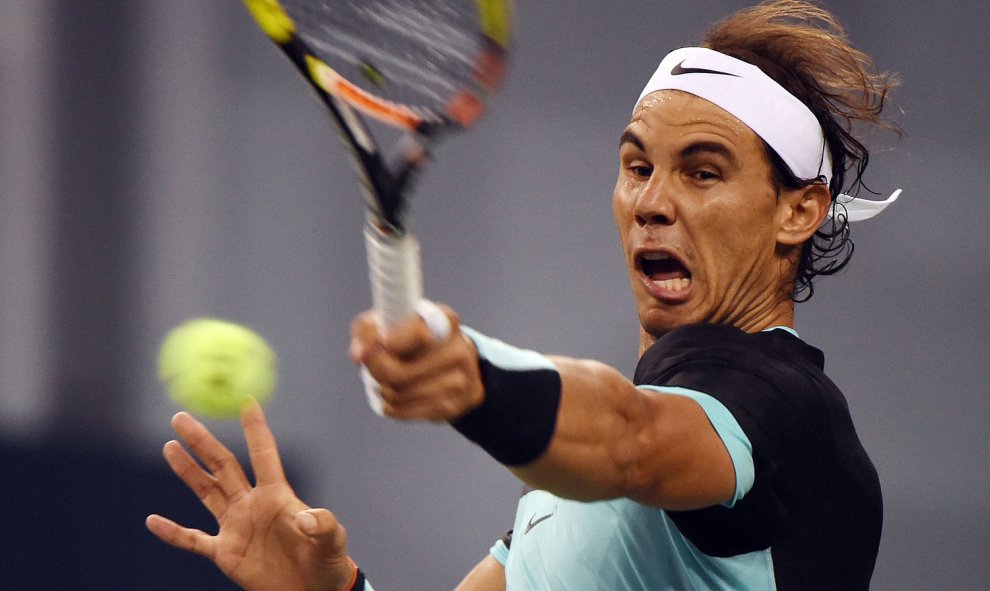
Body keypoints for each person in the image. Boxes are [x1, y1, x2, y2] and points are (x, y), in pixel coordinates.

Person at [146, 1, 901, 589]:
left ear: (797, 209)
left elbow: (630, 439)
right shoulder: (568, 493)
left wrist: (472, 372)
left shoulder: (785, 411)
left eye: (702, 172)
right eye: (637, 168)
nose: (651, 202)